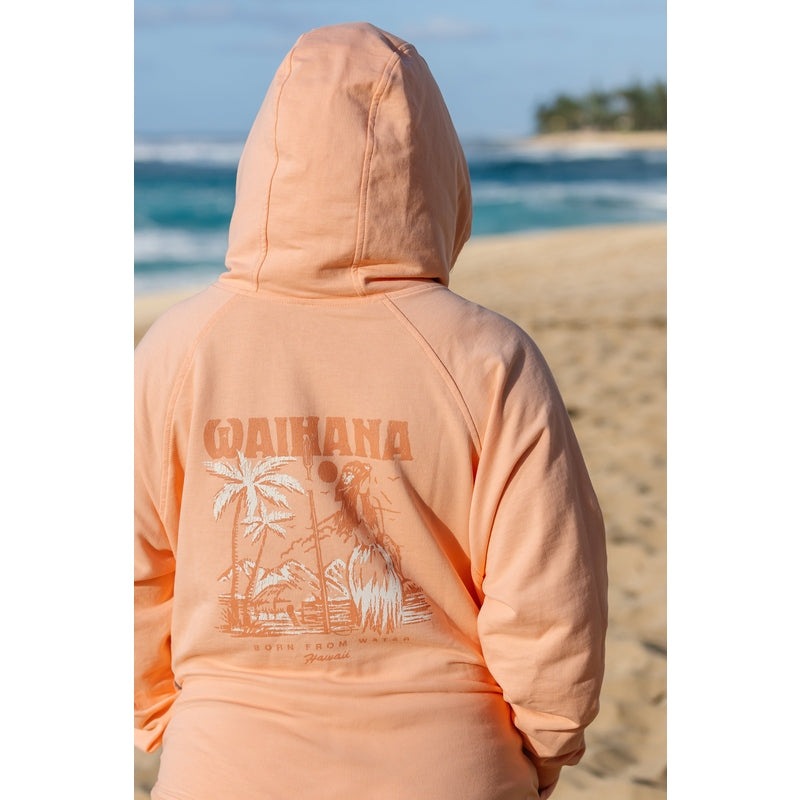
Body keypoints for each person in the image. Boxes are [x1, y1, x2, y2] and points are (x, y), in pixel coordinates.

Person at [134, 21, 607, 800]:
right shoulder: (489, 356)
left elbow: (135, 571)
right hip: (449, 762)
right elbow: (552, 600)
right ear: (436, 168)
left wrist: (167, 723)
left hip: (224, 762)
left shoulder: (177, 348)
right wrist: (544, 747)